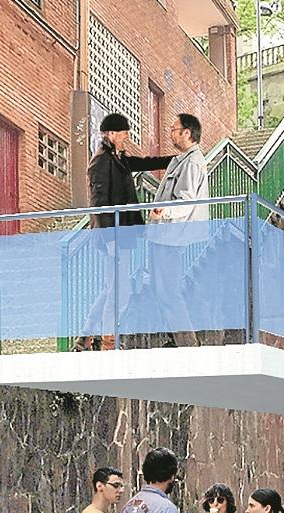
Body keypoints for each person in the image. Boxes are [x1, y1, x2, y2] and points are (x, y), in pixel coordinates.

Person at [75, 113, 174, 351]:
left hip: (123, 235)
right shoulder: (100, 161)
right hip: (113, 237)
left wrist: (175, 160)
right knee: (121, 292)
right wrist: (110, 239)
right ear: (111, 134)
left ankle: (86, 335)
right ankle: (108, 342)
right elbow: (98, 204)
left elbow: (144, 163)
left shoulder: (118, 158)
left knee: (113, 288)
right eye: (123, 133)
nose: (126, 137)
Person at [146, 113, 210, 348]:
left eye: (174, 129)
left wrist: (163, 212)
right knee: (159, 289)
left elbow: (186, 201)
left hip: (172, 237)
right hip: (162, 235)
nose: (171, 133)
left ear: (187, 133)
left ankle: (187, 344)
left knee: (168, 291)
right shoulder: (180, 160)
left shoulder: (192, 162)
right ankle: (177, 339)